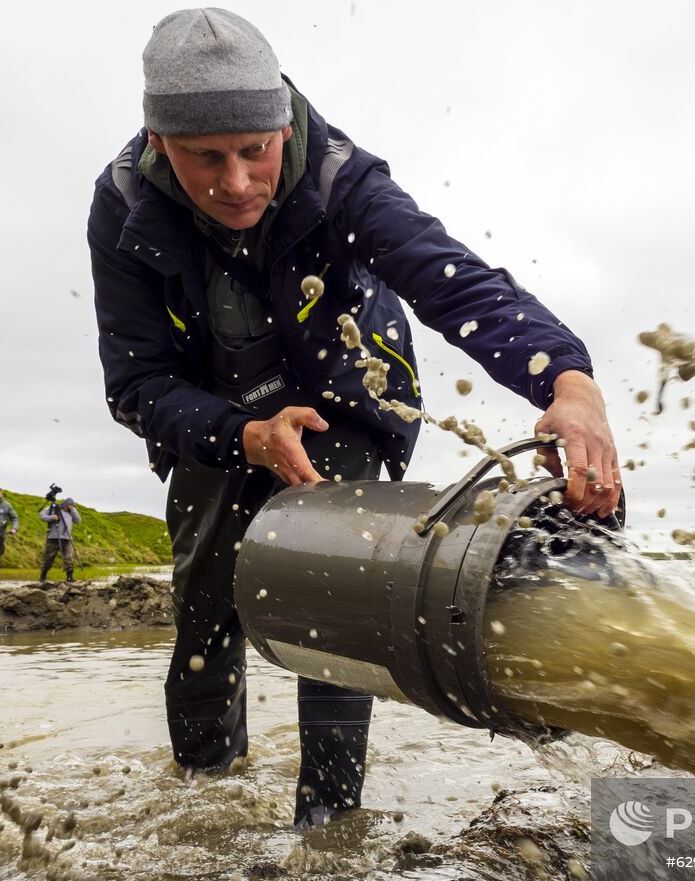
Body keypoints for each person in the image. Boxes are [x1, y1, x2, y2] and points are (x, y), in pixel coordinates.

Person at [88, 9, 622, 826]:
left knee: (331, 604)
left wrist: (566, 380)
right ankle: (203, 799)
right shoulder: (122, 200)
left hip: (337, 400)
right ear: (160, 142)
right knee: (204, 611)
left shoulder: (341, 176)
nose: (237, 183)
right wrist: (243, 437)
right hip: (213, 416)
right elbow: (136, 383)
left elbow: (455, 284)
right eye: (206, 158)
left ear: (282, 125)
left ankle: (329, 825)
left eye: (255, 151)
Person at [39, 497, 81, 582]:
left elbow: (78, 521)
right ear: (66, 504)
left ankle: (70, 577)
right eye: (71, 505)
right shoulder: (54, 509)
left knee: (68, 558)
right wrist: (51, 517)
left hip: (67, 538)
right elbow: (42, 515)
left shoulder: (71, 512)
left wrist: (72, 510)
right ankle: (43, 576)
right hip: (53, 537)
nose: (72, 507)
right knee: (49, 557)